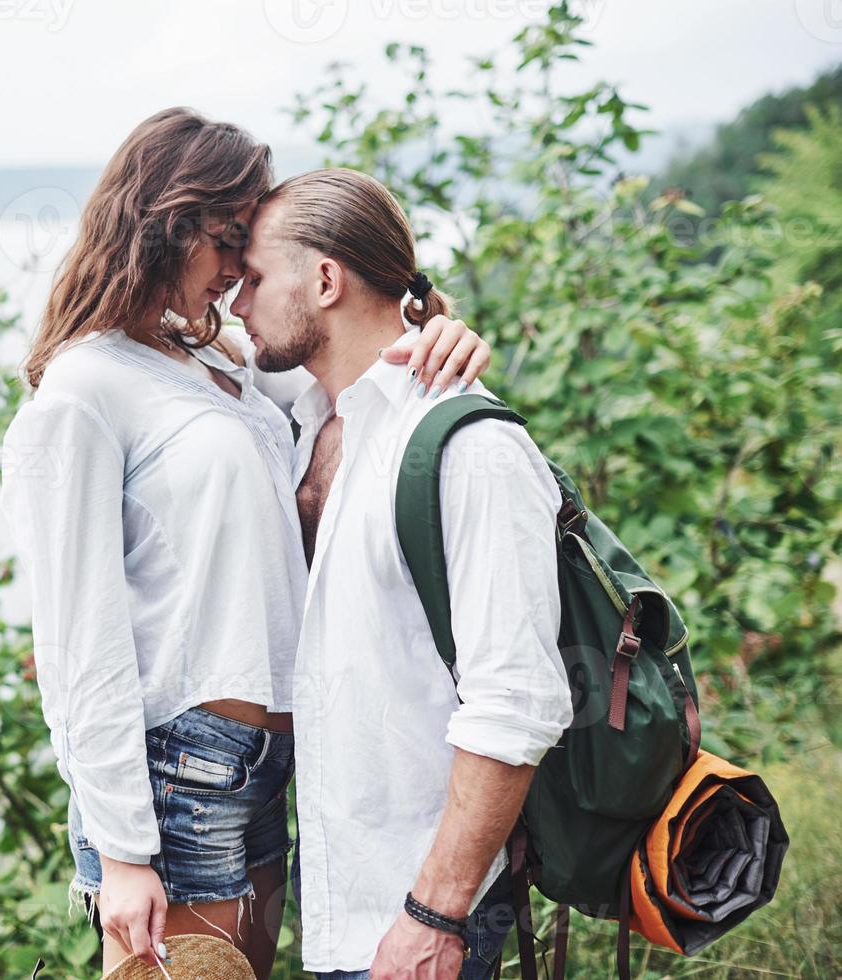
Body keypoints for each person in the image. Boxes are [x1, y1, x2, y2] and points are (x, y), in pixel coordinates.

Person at [0, 109, 494, 979]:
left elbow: (355, 366)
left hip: (275, 766)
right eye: (230, 240)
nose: (236, 275)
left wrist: (437, 337)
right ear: (166, 223)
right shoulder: (85, 387)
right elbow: (79, 637)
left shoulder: (216, 358)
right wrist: (121, 851)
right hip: (175, 774)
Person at [228, 168, 574, 980]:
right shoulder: (303, 419)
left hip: (420, 917)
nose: (235, 306)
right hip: (343, 908)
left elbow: (517, 702)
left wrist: (432, 917)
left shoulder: (471, 450)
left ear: (323, 279)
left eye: (251, 280)